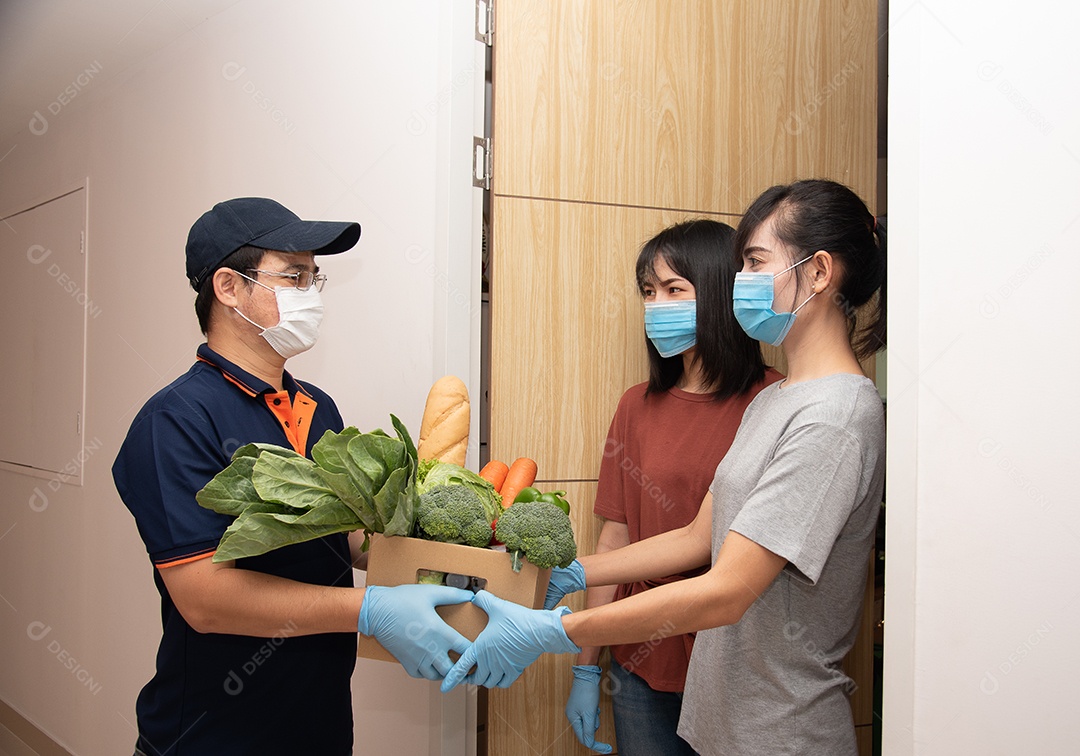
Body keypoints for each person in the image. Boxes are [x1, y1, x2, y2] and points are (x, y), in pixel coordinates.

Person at [441, 179, 887, 756]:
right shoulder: (778, 402)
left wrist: (556, 631)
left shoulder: (835, 417)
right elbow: (697, 537)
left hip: (780, 731)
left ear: (820, 272)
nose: (741, 282)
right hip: (719, 722)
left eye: (755, 263)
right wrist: (573, 573)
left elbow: (727, 591)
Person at [112, 197, 473, 755]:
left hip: (320, 724)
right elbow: (205, 599)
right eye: (294, 276)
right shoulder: (176, 420)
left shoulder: (317, 407)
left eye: (313, 278)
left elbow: (340, 539)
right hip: (212, 735)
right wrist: (370, 609)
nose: (311, 294)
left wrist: (446, 559)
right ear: (229, 288)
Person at [564, 220, 782, 755]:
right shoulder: (635, 406)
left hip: (734, 658)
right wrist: (586, 666)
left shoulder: (774, 399)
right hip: (640, 655)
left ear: (719, 293)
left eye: (673, 289)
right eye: (648, 291)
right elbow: (614, 538)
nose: (656, 306)